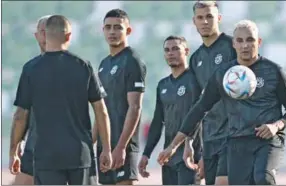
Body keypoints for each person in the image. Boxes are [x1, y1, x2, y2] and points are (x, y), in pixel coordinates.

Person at [157, 19, 286, 185]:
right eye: (240, 41)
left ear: (259, 42)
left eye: (250, 40)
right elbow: (200, 108)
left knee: (263, 178)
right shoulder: (223, 75)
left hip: (268, 141)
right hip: (237, 142)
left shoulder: (274, 71)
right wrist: (174, 145)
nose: (245, 45)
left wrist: (276, 126)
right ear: (233, 44)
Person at [9, 15, 112, 185]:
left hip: (46, 156)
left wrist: (13, 151)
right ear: (69, 36)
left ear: (46, 36)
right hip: (80, 155)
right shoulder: (83, 66)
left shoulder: (30, 69)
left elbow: (20, 115)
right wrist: (106, 149)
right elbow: (101, 111)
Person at [184, 1, 237, 185]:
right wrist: (189, 141)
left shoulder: (233, 46)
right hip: (210, 137)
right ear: (194, 21)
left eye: (209, 16)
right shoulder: (195, 58)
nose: (205, 21)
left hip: (234, 134)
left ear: (219, 18)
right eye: (200, 17)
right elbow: (197, 105)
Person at [138, 36, 202, 185]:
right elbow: (157, 122)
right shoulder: (163, 85)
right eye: (167, 50)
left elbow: (199, 116)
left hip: (190, 154)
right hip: (168, 157)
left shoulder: (195, 80)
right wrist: (146, 154)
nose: (170, 53)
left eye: (175, 49)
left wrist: (189, 143)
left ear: (186, 51)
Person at [96, 9, 147, 185]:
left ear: (128, 31)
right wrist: (92, 144)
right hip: (105, 148)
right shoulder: (103, 65)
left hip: (122, 146)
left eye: (117, 27)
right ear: (102, 30)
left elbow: (135, 107)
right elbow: (100, 110)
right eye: (108, 27)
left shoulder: (132, 61)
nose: (112, 32)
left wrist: (121, 147)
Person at [9, 15, 51, 185]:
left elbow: (21, 114)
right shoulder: (79, 65)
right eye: (42, 31)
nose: (46, 35)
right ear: (36, 35)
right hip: (39, 145)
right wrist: (19, 142)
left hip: (43, 148)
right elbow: (23, 113)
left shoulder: (32, 69)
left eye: (49, 31)